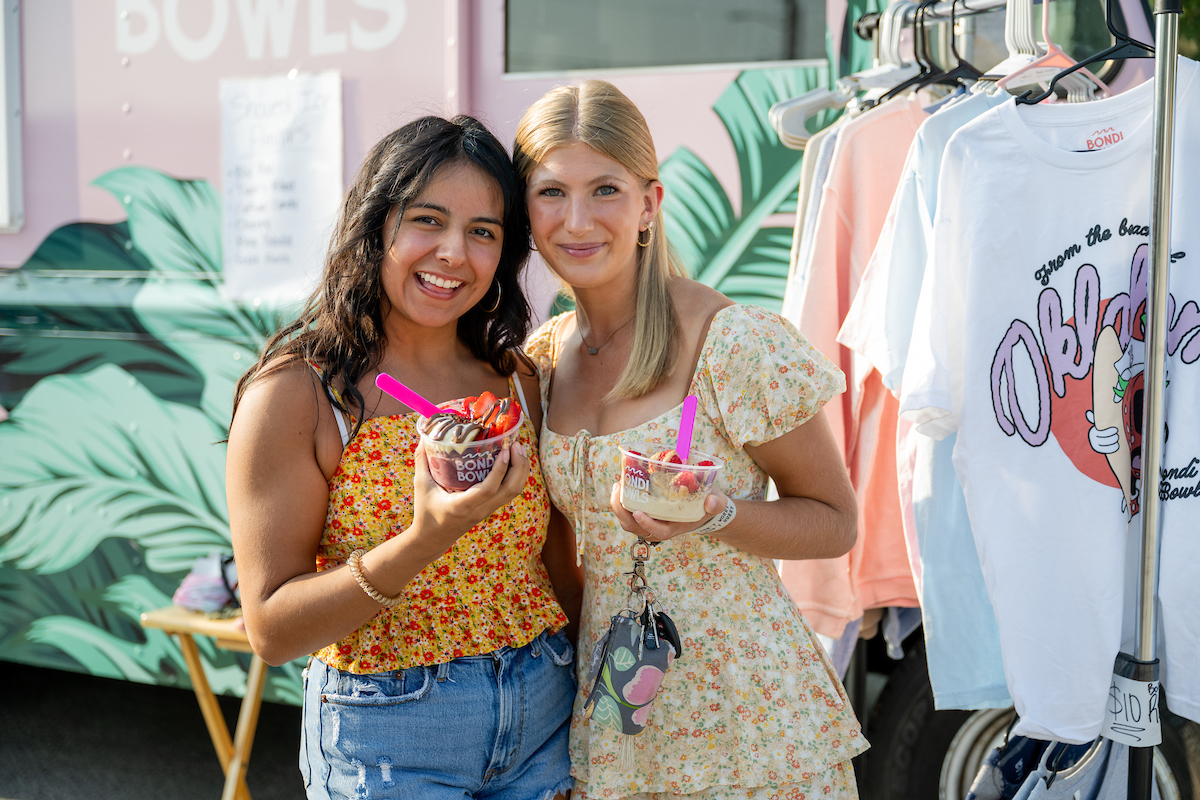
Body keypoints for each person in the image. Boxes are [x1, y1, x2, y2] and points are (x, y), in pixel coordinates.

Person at [513, 81, 868, 800]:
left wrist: (717, 515)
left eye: (605, 189)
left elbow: (835, 522)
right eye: (551, 192)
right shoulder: (544, 358)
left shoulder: (733, 344)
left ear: (650, 203)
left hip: (748, 725)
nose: (576, 220)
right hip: (621, 715)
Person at [226, 116, 581, 800]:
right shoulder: (299, 394)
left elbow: (560, 577)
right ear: (377, 225)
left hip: (544, 716)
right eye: (427, 220)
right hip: (389, 741)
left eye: (483, 231)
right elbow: (271, 628)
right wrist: (426, 538)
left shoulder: (519, 383)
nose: (453, 252)